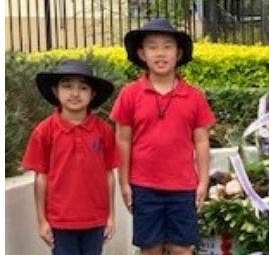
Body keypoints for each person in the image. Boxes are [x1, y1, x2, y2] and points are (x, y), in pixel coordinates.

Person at [111, 18, 216, 255]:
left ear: (178, 54)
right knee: (151, 248)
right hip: (144, 186)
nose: (160, 53)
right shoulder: (130, 94)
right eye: (153, 46)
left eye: (167, 46)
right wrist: (124, 182)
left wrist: (203, 181)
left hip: (183, 186)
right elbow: (122, 140)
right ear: (141, 53)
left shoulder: (194, 96)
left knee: (182, 248)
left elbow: (201, 140)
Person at [22, 60, 118, 255]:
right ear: (56, 92)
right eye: (67, 86)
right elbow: (41, 178)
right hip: (60, 221)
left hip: (95, 220)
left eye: (83, 88)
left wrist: (111, 216)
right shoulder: (44, 131)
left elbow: (108, 175)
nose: (75, 93)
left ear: (92, 94)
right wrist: (42, 220)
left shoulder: (104, 131)